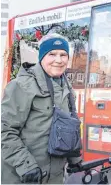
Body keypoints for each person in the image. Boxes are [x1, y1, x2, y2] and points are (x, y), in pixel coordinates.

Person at [1, 33, 82, 184]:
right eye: (52, 54)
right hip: (24, 177)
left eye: (63, 55)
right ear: (41, 56)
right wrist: (26, 166)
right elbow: (5, 131)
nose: (58, 60)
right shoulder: (22, 85)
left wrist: (75, 159)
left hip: (55, 177)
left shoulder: (67, 88)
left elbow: (71, 127)